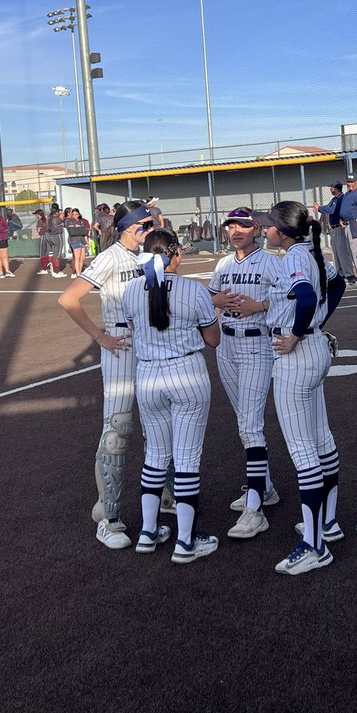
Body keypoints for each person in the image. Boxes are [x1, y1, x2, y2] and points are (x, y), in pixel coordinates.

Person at [252, 201, 346, 576]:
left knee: (303, 450)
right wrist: (316, 324)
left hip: (296, 354)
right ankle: (327, 523)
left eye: (269, 225)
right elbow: (337, 284)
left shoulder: (292, 255)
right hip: (317, 348)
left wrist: (296, 333)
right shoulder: (312, 250)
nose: (263, 230)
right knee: (321, 439)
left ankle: (314, 546)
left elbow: (306, 296)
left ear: (283, 231)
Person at [57, 201, 155, 550]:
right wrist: (99, 337)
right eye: (145, 223)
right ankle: (109, 518)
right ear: (129, 226)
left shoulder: (144, 257)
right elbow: (68, 299)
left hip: (147, 345)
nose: (150, 226)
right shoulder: (111, 257)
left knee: (159, 423)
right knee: (117, 429)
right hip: (119, 347)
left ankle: (167, 495)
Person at [123, 229, 221, 563]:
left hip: (148, 374)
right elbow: (213, 340)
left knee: (155, 457)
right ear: (175, 253)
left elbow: (137, 328)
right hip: (187, 374)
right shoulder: (194, 290)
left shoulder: (132, 290)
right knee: (187, 461)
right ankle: (186, 541)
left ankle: (148, 531)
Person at [208, 208, 283, 539]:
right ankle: (265, 487)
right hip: (227, 346)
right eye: (231, 226)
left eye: (243, 225)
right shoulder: (224, 264)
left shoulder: (271, 262)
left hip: (257, 345)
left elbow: (290, 298)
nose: (236, 230)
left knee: (251, 426)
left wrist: (260, 307)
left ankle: (256, 511)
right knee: (244, 422)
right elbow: (212, 296)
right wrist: (217, 300)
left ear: (257, 229)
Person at [313, 183, 351, 279]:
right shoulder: (334, 199)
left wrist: (319, 208)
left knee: (342, 252)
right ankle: (340, 273)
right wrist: (319, 209)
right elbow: (327, 209)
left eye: (332, 187)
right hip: (333, 229)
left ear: (336, 189)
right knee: (336, 253)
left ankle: (349, 274)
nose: (330, 189)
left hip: (340, 228)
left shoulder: (341, 198)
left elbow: (331, 210)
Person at [64, 208, 90, 278]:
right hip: (74, 240)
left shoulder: (81, 221)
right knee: (77, 258)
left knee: (82, 258)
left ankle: (80, 272)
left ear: (79, 214)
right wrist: (80, 231)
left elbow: (85, 233)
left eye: (76, 214)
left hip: (82, 240)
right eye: (73, 214)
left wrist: (87, 243)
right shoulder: (69, 221)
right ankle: (78, 274)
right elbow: (72, 232)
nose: (74, 216)